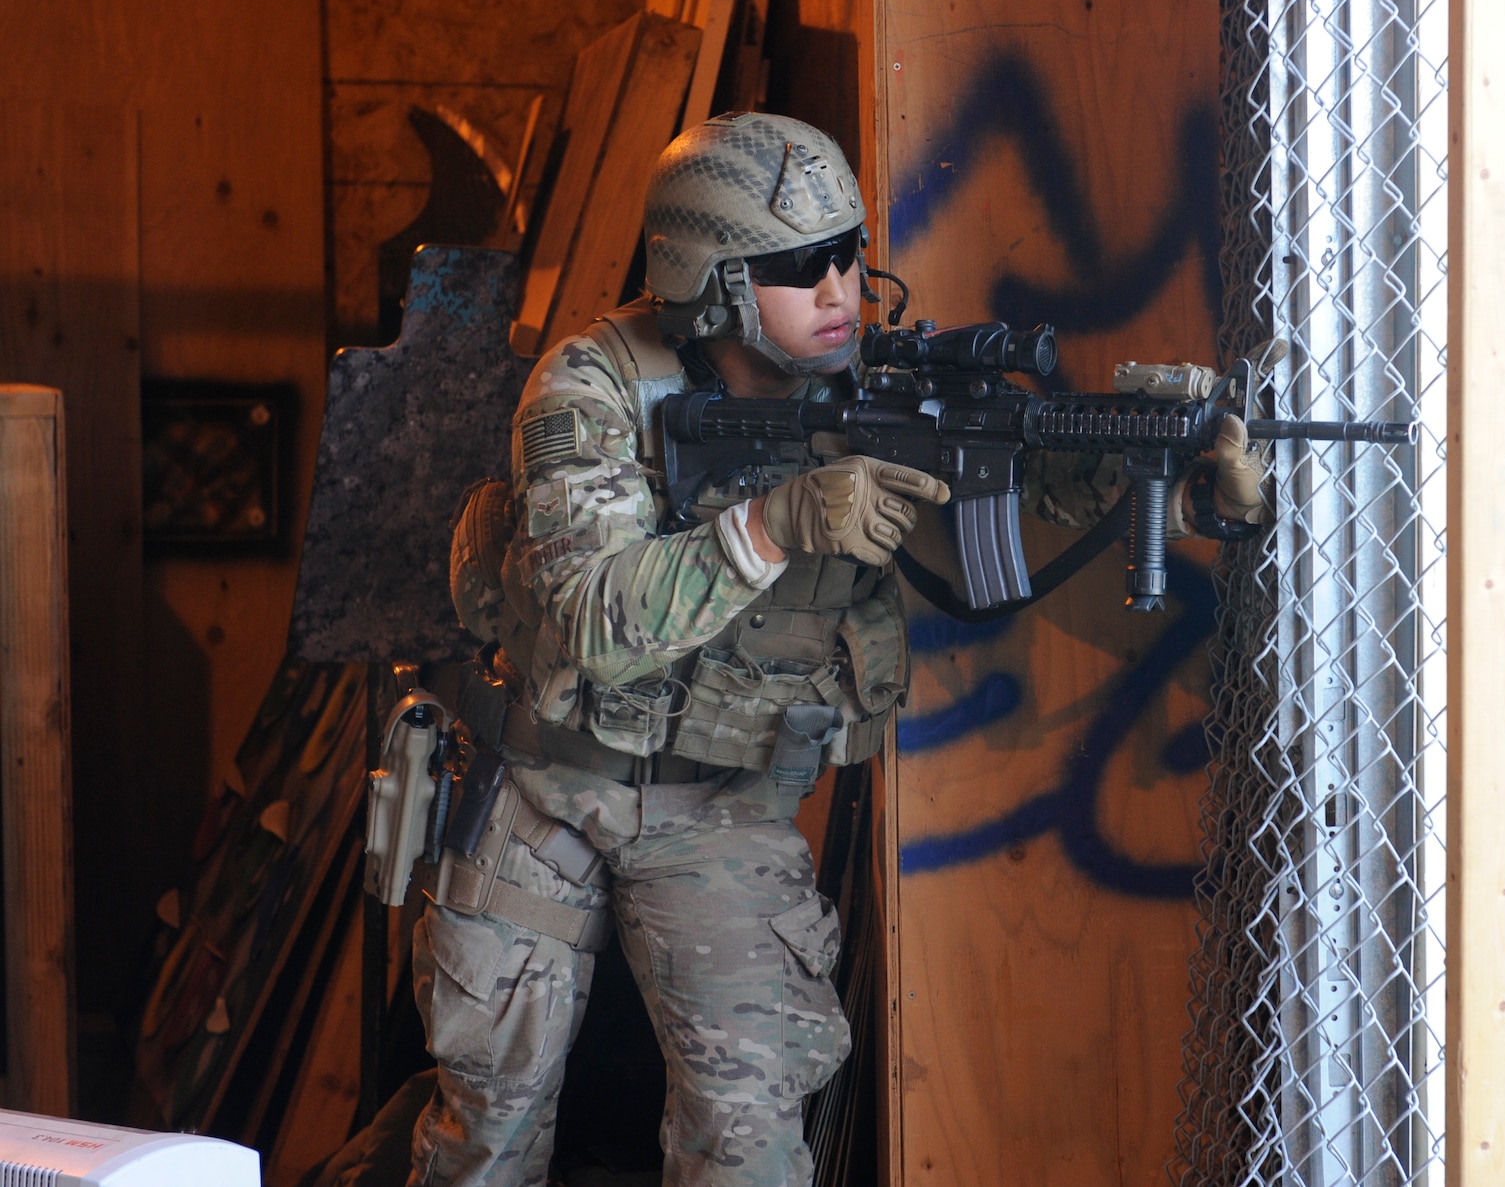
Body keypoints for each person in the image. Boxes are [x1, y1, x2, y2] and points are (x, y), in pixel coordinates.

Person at [413, 112, 1270, 1187]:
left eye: (847, 251)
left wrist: (1185, 492)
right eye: (796, 265)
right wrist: (775, 525)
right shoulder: (593, 387)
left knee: (751, 1143)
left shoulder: (872, 382)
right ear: (711, 282)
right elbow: (592, 616)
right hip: (548, 781)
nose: (837, 287)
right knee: (485, 1129)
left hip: (715, 806)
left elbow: (1038, 475)